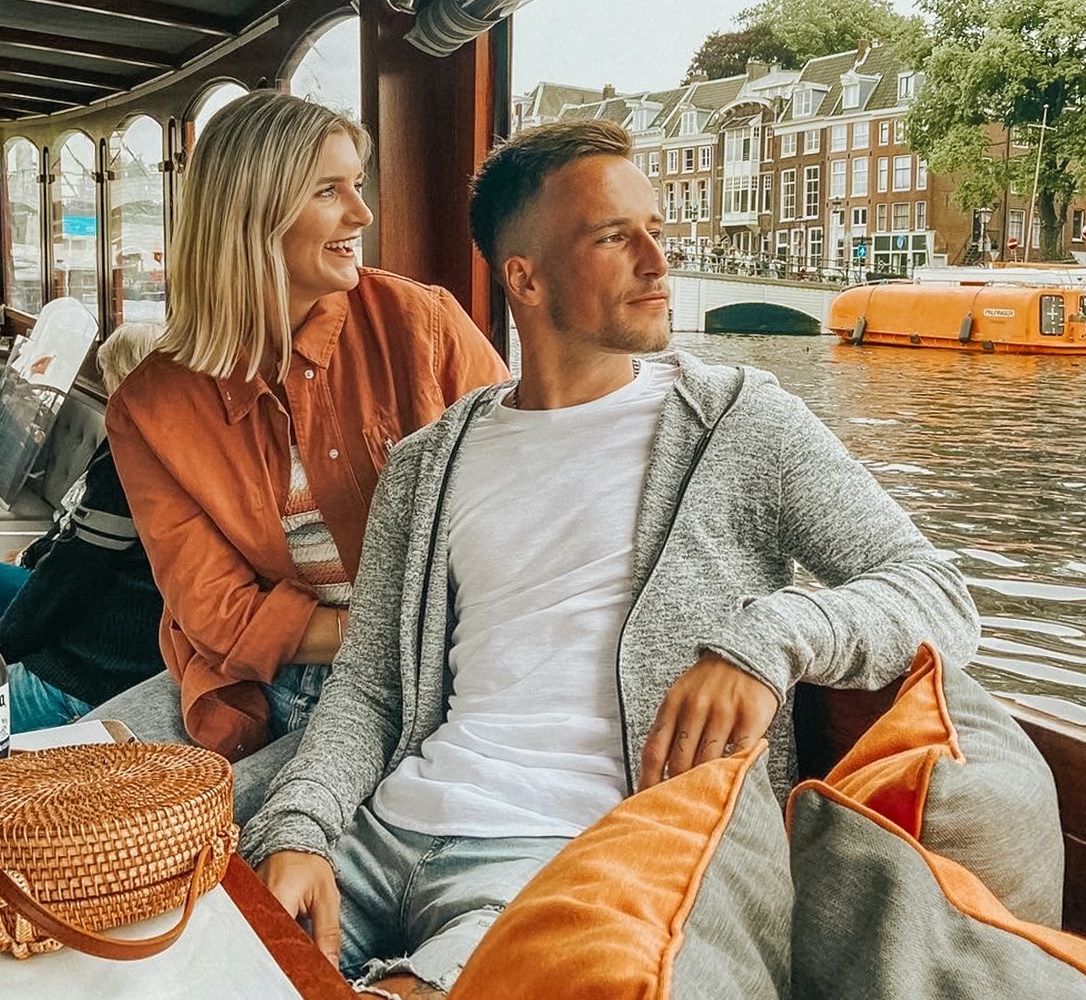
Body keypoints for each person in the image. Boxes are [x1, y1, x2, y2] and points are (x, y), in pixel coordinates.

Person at [240, 119, 981, 998]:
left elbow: (939, 595)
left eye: (657, 232)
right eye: (614, 237)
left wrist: (769, 639)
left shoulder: (740, 424)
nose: (659, 263)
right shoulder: (427, 464)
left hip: (571, 860)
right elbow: (368, 688)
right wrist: (297, 828)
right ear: (525, 277)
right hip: (379, 834)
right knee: (189, 960)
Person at [89, 91, 507, 819]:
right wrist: (373, 632)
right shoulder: (152, 406)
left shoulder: (423, 325)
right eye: (328, 191)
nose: (362, 214)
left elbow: (528, 503)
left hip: (414, 688)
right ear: (252, 214)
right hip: (246, 682)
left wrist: (403, 646)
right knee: (69, 797)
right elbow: (214, 612)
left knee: (198, 844)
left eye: (358, 185)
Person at [0, 321, 165, 731]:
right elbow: (77, 545)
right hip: (85, 639)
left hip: (83, 678)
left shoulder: (134, 450)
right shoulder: (154, 439)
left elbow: (75, 569)